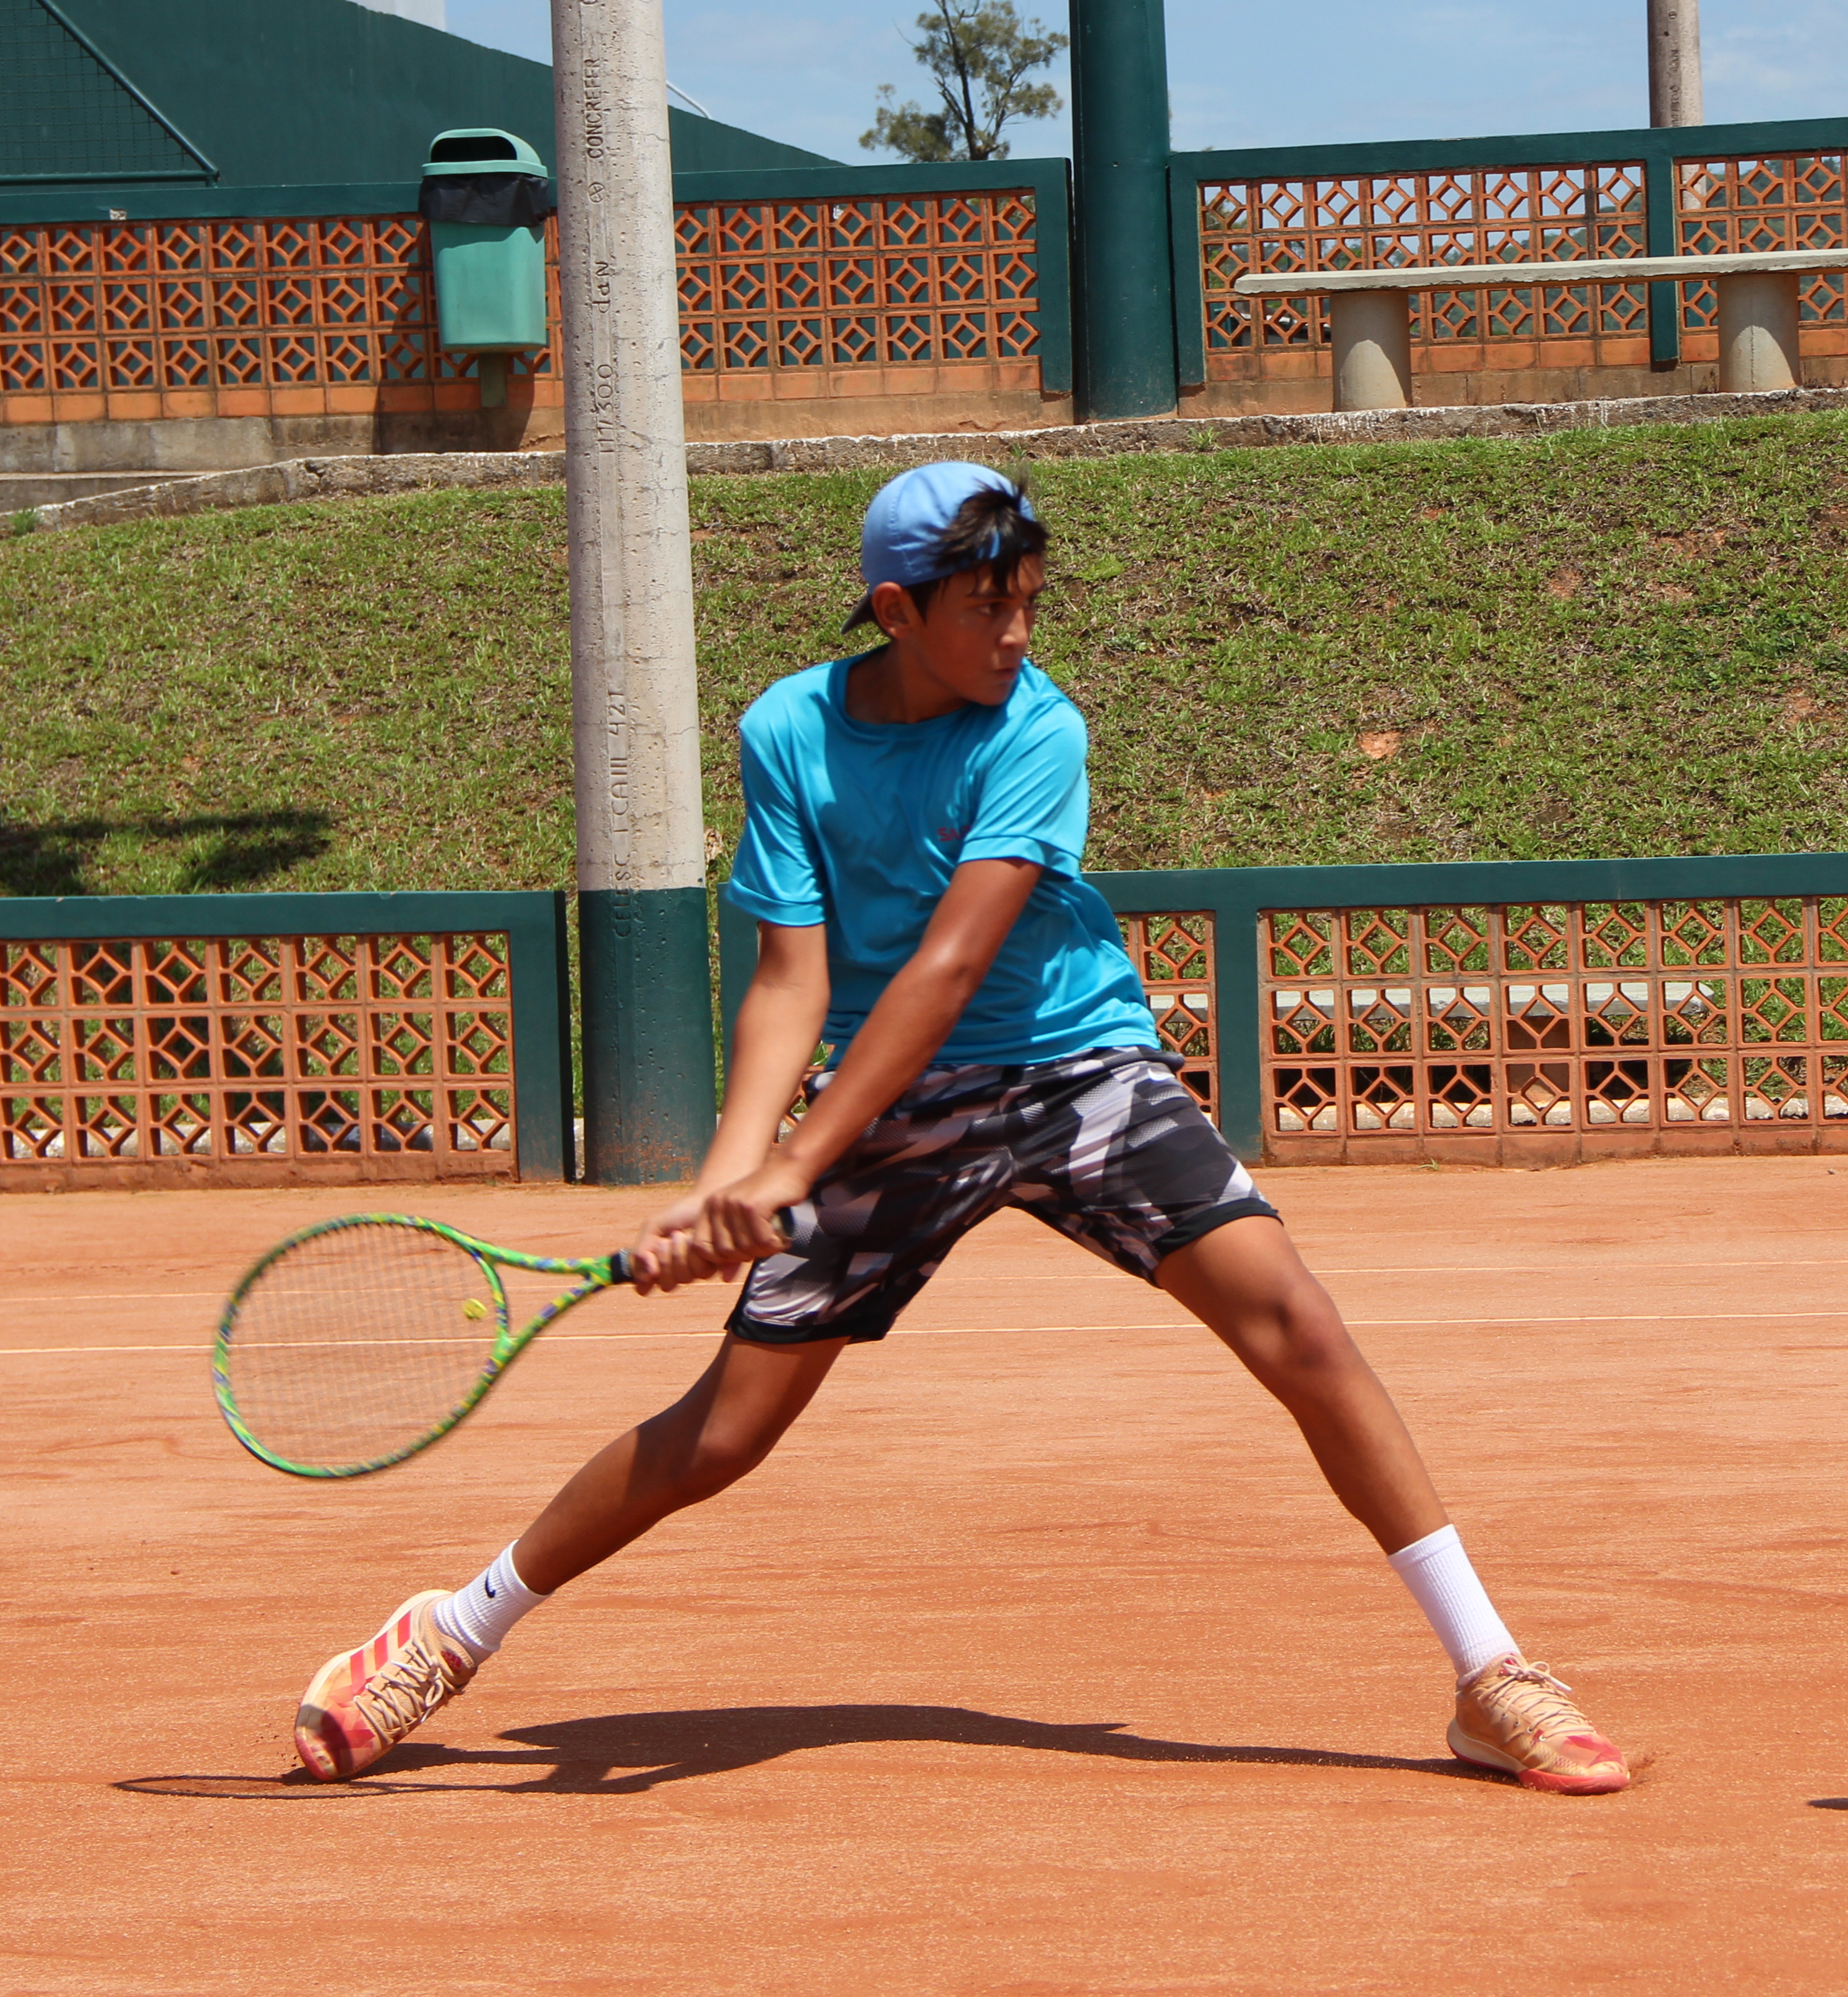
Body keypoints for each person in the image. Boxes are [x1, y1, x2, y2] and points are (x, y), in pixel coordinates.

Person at [287, 462, 1633, 1797]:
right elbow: (789, 978)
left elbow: (945, 969)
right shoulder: (788, 734)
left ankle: (1492, 1674)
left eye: (1032, 603)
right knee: (724, 1433)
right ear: (895, 609)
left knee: (1300, 1324)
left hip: (1072, 1062)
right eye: (989, 609)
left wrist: (796, 1162)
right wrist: (722, 1179)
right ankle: (448, 1635)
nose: (1017, 635)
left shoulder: (1038, 730)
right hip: (895, 1105)